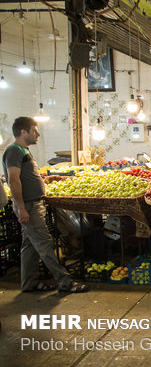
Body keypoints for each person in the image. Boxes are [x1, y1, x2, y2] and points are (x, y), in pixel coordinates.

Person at [2, 117, 88, 293]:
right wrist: (22, 208)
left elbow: (25, 178)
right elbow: (13, 180)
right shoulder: (14, 151)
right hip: (29, 206)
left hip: (31, 204)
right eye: (35, 130)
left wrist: (44, 180)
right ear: (23, 132)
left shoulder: (22, 151)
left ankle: (29, 283)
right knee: (45, 243)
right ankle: (65, 282)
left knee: (29, 245)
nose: (38, 134)